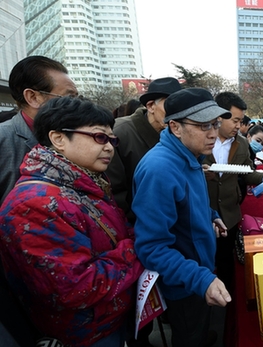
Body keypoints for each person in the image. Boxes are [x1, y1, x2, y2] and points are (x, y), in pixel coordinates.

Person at [0, 96, 144, 347]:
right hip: (85, 334)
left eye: (112, 139)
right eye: (100, 137)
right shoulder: (34, 205)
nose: (110, 147)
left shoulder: (85, 182)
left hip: (110, 319)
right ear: (58, 139)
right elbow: (76, 288)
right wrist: (140, 249)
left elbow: (117, 233)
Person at [132, 88, 232, 347]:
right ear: (175, 127)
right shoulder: (160, 169)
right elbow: (151, 248)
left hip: (198, 271)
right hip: (184, 282)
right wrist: (200, 279)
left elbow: (188, 203)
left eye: (215, 123)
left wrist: (211, 215)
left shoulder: (191, 154)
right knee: (189, 335)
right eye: (203, 125)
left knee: (199, 328)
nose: (213, 133)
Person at [203, 91, 263, 290]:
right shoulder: (201, 140)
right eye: (235, 120)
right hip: (203, 212)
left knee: (225, 262)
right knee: (203, 260)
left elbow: (246, 173)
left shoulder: (241, 144)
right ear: (219, 116)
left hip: (230, 214)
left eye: (241, 121)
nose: (239, 126)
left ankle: (227, 307)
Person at [0, 55, 78, 205]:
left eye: (76, 98)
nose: (75, 106)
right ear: (33, 97)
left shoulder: (76, 138)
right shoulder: (4, 140)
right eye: (68, 98)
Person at [107, 77, 182, 223]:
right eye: (170, 106)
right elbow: (114, 191)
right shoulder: (119, 133)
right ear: (150, 106)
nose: (176, 113)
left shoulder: (178, 132)